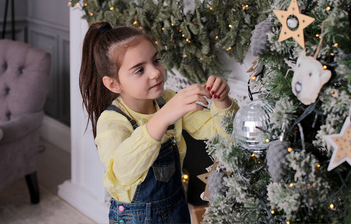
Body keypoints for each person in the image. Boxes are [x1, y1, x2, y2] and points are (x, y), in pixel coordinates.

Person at [79, 22, 239, 223]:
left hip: (177, 208)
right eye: (139, 70)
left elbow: (223, 132)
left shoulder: (168, 100)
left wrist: (222, 101)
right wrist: (164, 117)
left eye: (156, 61)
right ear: (114, 84)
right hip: (137, 218)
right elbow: (122, 173)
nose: (155, 72)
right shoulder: (112, 121)